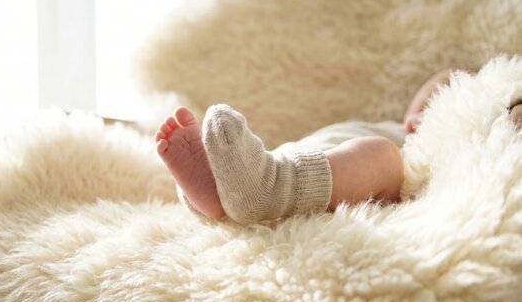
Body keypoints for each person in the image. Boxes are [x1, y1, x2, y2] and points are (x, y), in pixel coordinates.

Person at [153, 68, 464, 224]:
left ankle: (267, 188)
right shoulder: (387, 123)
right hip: (303, 155)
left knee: (384, 157)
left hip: (366, 180)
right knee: (289, 154)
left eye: (439, 104)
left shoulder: (419, 150)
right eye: (427, 100)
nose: (424, 114)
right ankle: (224, 191)